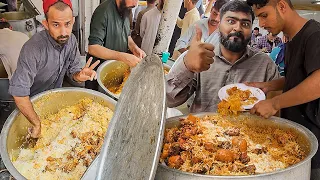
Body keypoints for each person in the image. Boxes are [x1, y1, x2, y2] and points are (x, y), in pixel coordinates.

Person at [246, 0, 320, 179]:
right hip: (295, 134)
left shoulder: (314, 34)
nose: (262, 24)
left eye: (264, 15)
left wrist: (274, 103)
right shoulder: (292, 38)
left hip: (315, 139)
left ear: (282, 6)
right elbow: (299, 76)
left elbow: (318, 82)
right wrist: (269, 85)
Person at [166, 0, 279, 112]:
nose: (238, 28)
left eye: (245, 24)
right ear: (219, 25)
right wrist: (187, 66)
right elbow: (170, 100)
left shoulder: (266, 65)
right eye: (231, 21)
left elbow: (276, 113)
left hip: (246, 128)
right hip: (200, 127)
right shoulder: (201, 56)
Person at [8, 0, 98, 138]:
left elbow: (72, 69)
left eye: (67, 24)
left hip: (55, 102)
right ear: (46, 24)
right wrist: (37, 123)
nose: (63, 32)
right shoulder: (33, 49)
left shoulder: (71, 40)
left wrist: (78, 75)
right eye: (56, 24)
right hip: (30, 108)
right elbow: (19, 93)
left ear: (73, 21)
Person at [87, 0, 146, 90]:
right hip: (97, 74)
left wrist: (135, 48)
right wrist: (122, 57)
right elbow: (93, 48)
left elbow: (127, 36)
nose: (135, 4)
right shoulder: (103, 11)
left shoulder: (126, 9)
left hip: (115, 71)